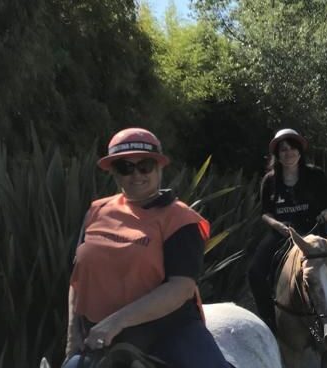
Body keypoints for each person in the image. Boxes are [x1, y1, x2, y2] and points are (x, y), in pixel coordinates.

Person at [63, 127, 230, 368]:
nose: (136, 175)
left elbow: (181, 287)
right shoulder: (97, 211)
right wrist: (72, 334)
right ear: (114, 172)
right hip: (99, 334)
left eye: (145, 166)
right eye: (125, 167)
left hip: (168, 331)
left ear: (160, 167)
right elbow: (78, 278)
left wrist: (116, 322)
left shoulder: (180, 219)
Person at [248, 128, 327, 332]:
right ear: (277, 154)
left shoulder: (316, 175)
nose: (288, 153)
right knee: (255, 272)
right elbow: (266, 213)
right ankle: (269, 321)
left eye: (292, 148)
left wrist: (324, 216)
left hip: (317, 228)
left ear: (300, 151)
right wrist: (277, 225)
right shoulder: (269, 180)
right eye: (283, 150)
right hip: (284, 232)